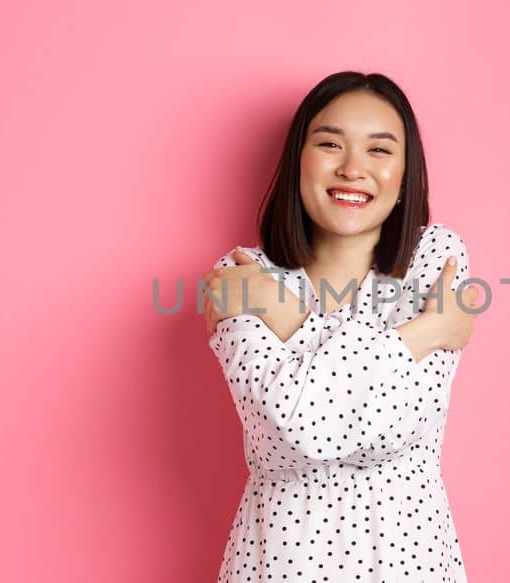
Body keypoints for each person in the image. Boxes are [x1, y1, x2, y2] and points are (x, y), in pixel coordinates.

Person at [201, 71, 480, 582]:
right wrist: (421, 333)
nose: (353, 168)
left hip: (408, 558)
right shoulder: (243, 273)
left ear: (404, 173)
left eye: (379, 150)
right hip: (280, 561)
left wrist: (285, 317)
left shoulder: (434, 256)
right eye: (330, 143)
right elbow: (303, 431)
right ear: (298, 163)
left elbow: (395, 432)